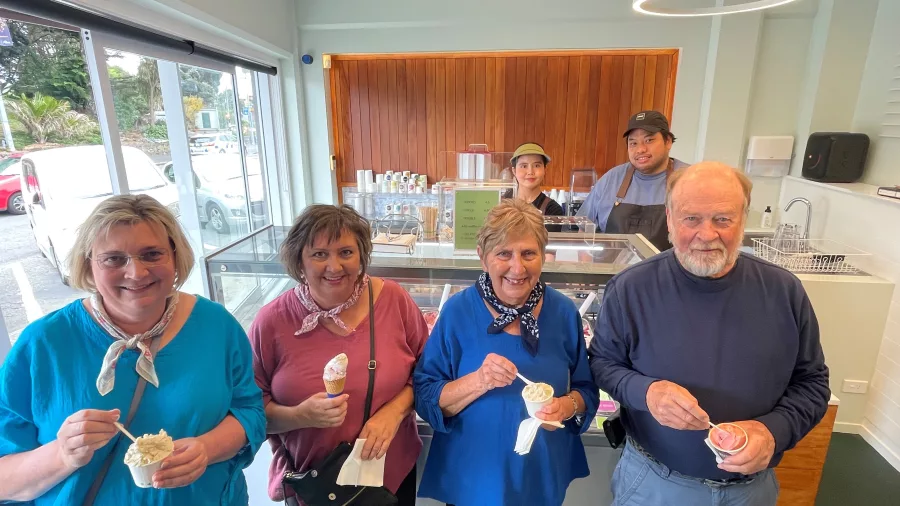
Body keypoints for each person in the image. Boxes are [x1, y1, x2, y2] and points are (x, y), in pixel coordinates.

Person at [588, 162, 830, 505]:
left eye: (722, 219)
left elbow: (813, 383)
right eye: (691, 218)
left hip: (751, 490)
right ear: (670, 220)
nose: (706, 234)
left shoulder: (783, 291)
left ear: (743, 221)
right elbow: (602, 364)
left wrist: (773, 432)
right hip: (653, 484)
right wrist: (647, 392)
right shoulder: (631, 288)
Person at [0, 194, 266, 505]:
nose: (136, 273)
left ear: (174, 257)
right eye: (113, 259)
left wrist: (207, 448)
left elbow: (249, 412)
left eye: (152, 254)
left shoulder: (216, 326)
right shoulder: (43, 345)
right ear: (88, 263)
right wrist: (62, 454)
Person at [414, 198, 599, 506]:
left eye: (529, 253)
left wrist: (565, 407)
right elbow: (425, 396)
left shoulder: (564, 313)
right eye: (503, 254)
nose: (518, 267)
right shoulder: (458, 313)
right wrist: (479, 381)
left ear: (543, 255)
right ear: (483, 258)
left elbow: (586, 390)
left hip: (540, 474)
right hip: (473, 478)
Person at [250, 204, 428, 505]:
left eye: (345, 252)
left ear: (361, 257)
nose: (334, 267)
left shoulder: (394, 300)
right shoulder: (271, 322)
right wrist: (298, 416)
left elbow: (427, 373)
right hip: (313, 483)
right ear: (299, 261)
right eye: (319, 254)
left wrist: (394, 412)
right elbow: (250, 411)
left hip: (389, 479)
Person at [576, 110, 689, 250]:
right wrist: (589, 269)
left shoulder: (691, 179)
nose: (640, 149)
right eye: (633, 143)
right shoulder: (610, 180)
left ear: (668, 142)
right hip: (616, 271)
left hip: (670, 271)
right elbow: (584, 230)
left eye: (649, 140)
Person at [511, 142, 564, 217]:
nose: (530, 172)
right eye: (524, 166)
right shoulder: (501, 201)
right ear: (514, 171)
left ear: (545, 170)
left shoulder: (552, 209)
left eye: (536, 165)